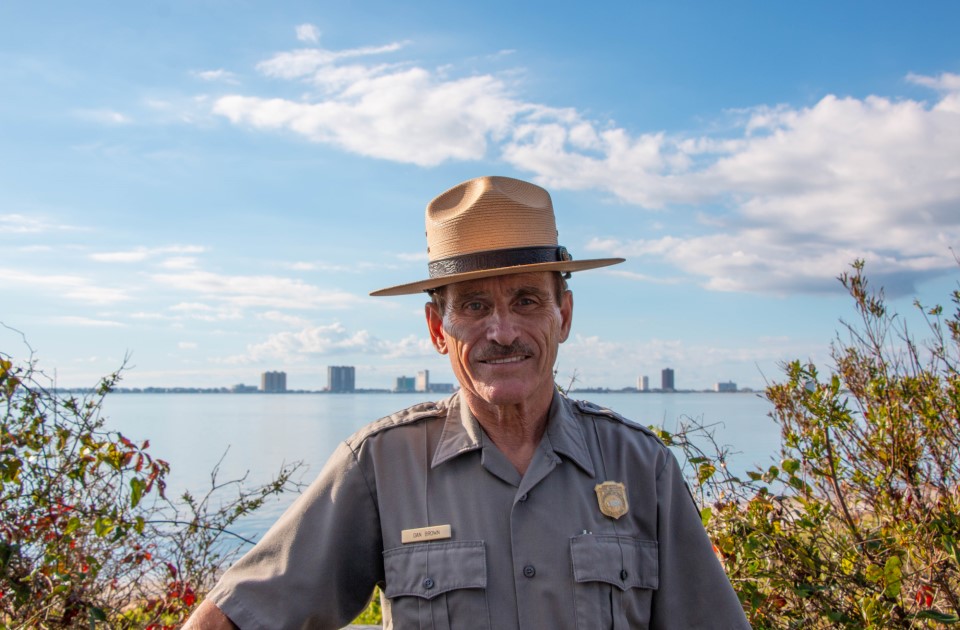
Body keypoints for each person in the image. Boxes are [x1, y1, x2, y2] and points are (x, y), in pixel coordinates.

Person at [184, 176, 749, 629]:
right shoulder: (381, 466)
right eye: (474, 306)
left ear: (565, 316)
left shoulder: (641, 467)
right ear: (437, 328)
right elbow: (234, 619)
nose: (502, 331)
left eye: (527, 300)